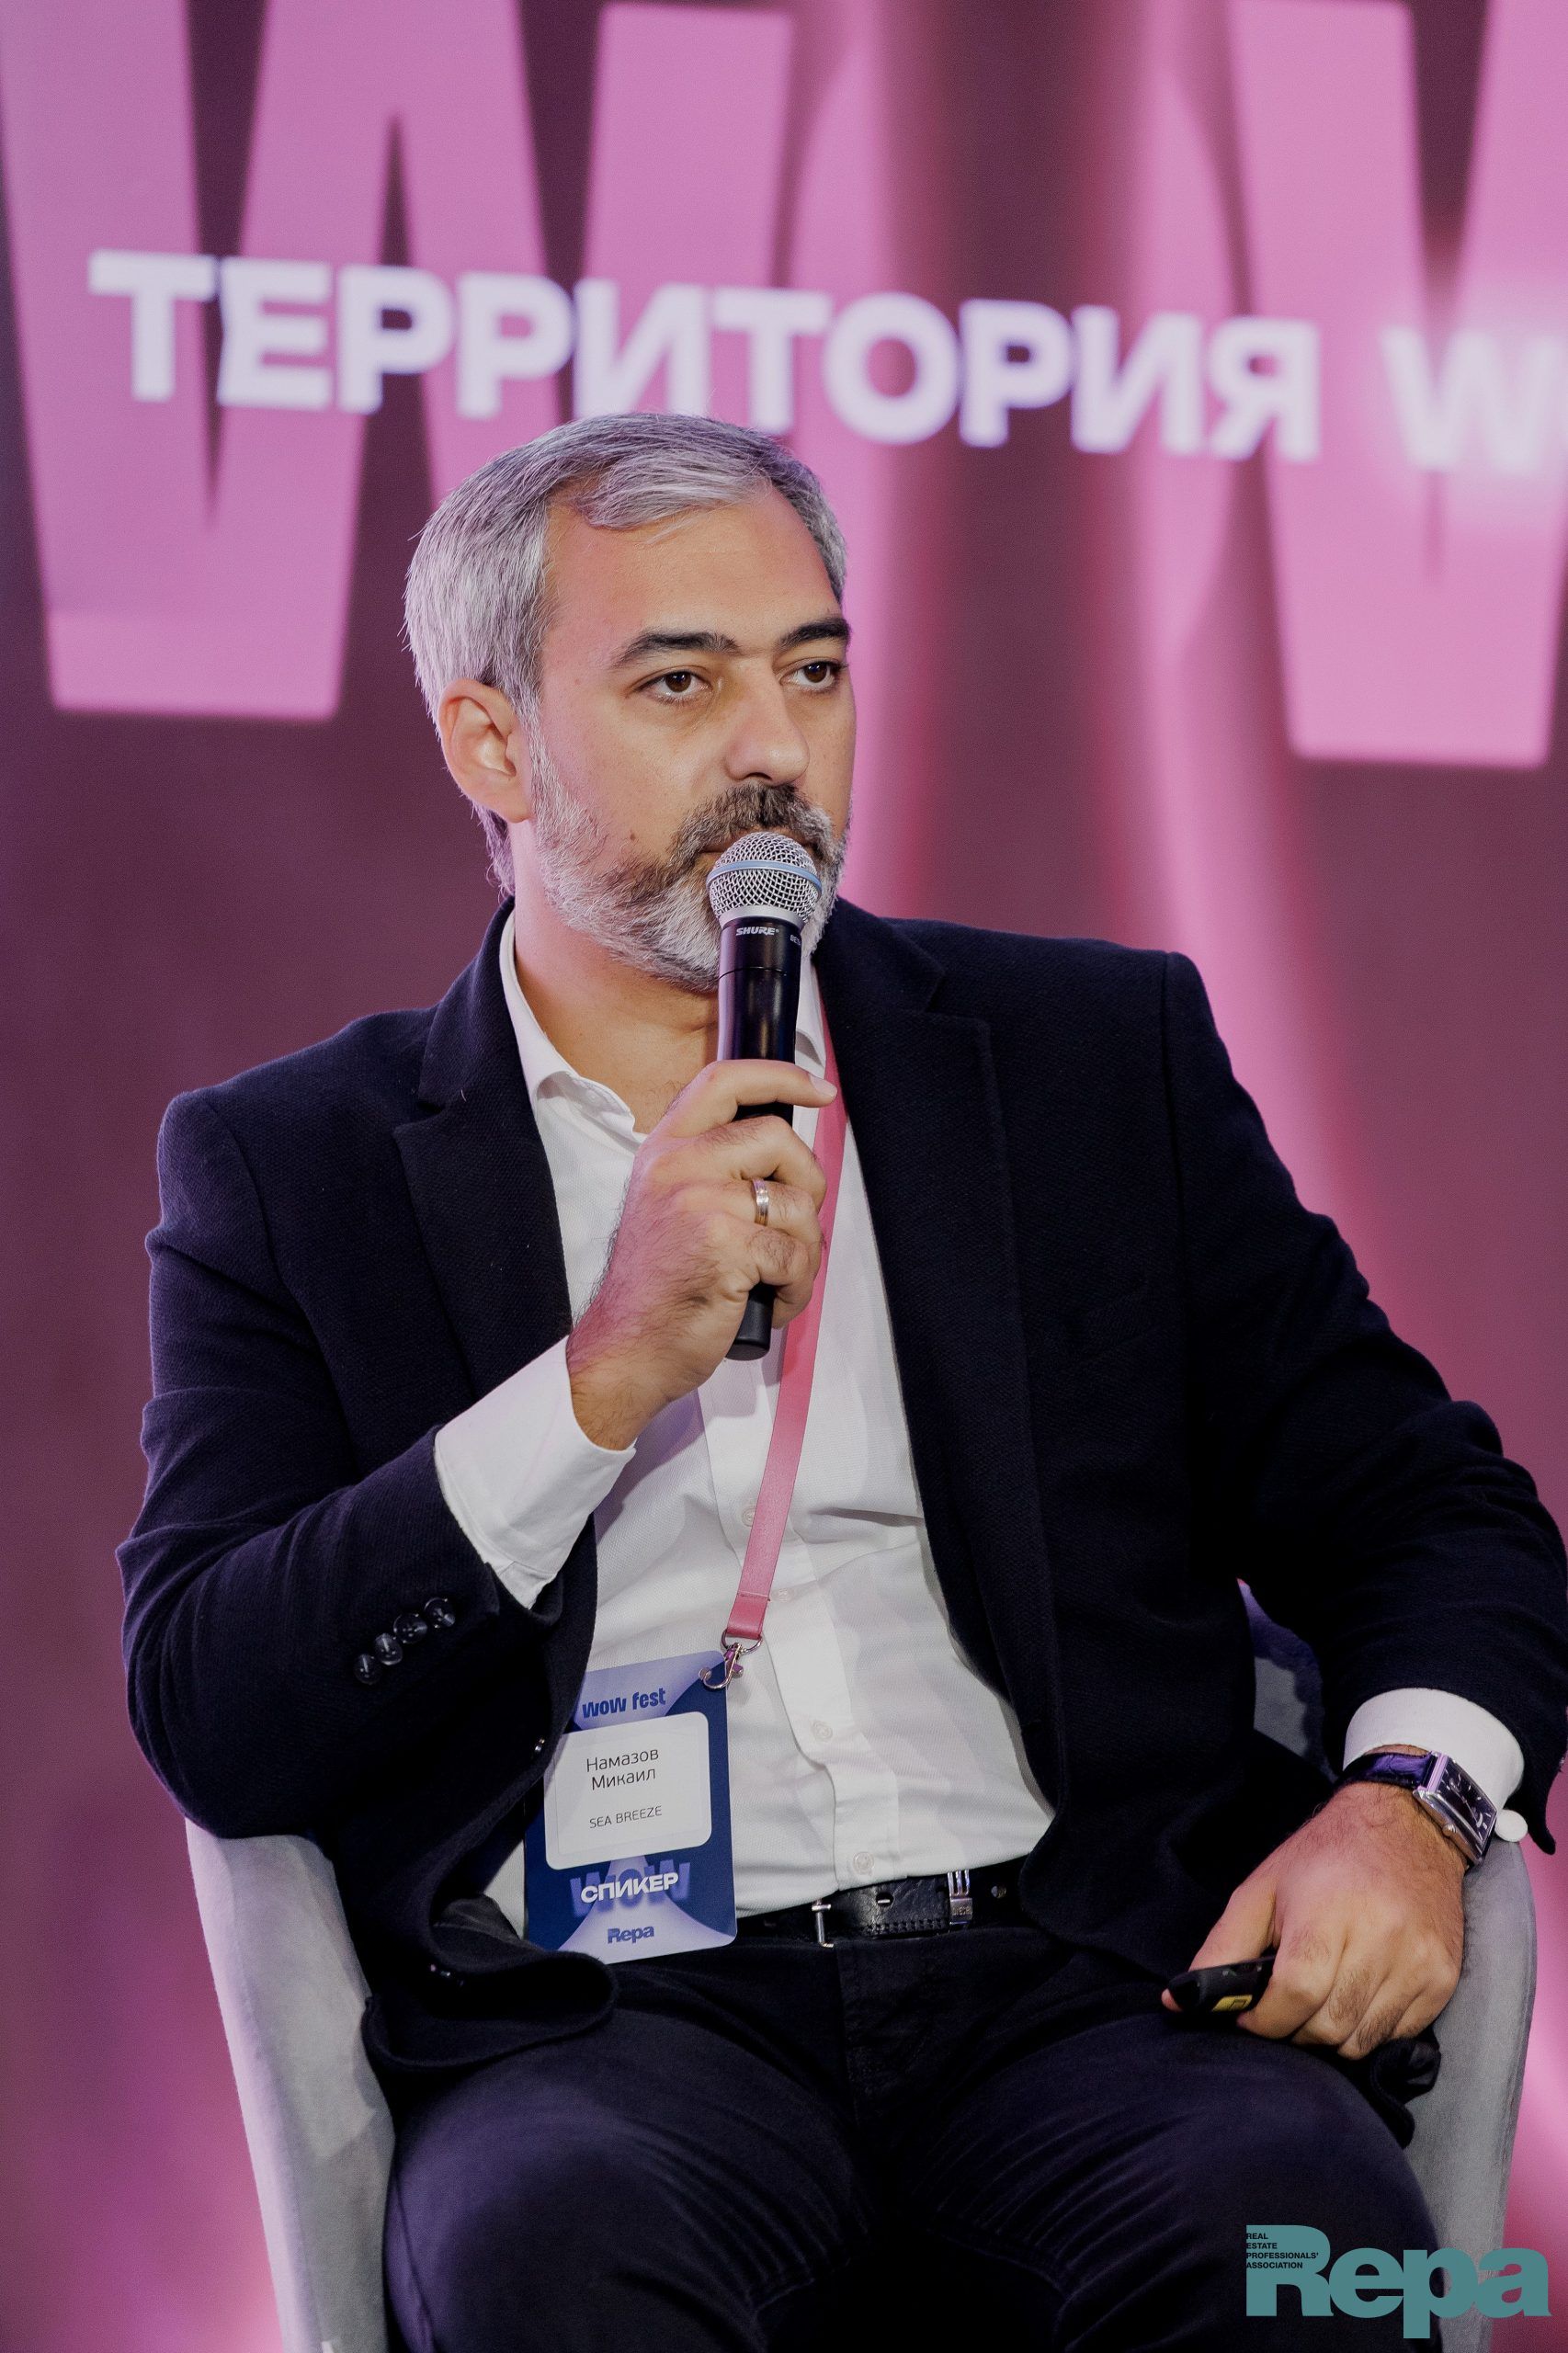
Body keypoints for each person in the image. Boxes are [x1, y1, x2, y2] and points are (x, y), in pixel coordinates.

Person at [119, 414, 1568, 2349]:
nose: (775, 747)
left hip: (1091, 1975)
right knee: (545, 2257)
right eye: (680, 682)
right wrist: (596, 1379)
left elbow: (1428, 1509)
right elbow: (214, 1700)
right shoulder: (295, 1165)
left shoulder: (1084, 1058)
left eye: (811, 669)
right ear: (489, 743)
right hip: (612, 2018)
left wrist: (1411, 1799)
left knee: (1310, 2251)